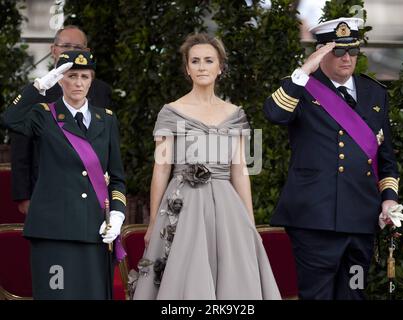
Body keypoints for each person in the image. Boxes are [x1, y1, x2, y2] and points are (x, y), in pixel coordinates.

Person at [263, 17, 403, 299]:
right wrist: (305, 69)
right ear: (321, 53)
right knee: (317, 295)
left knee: (353, 293)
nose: (347, 58)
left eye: (352, 51)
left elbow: (386, 158)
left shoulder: (374, 93)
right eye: (338, 51)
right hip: (315, 221)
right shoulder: (301, 88)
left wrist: (389, 198)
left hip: (360, 219)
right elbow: (274, 114)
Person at [132, 33, 281, 300]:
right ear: (187, 68)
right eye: (195, 61)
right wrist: (154, 221)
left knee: (233, 279)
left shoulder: (235, 114)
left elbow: (240, 170)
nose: (202, 66)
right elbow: (162, 169)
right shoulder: (171, 111)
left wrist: (250, 222)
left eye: (209, 60)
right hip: (183, 206)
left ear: (220, 67)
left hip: (227, 209)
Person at [1, 51, 126, 299]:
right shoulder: (43, 114)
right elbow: (9, 119)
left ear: (91, 80)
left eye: (84, 76)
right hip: (53, 232)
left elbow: (117, 176)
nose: (78, 83)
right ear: (60, 80)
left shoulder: (107, 120)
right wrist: (37, 87)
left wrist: (118, 214)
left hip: (94, 229)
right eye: (71, 76)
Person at [10, 25, 112, 215]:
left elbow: (107, 146)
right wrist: (23, 196)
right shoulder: (37, 92)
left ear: (87, 53)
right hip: (47, 192)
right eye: (66, 46)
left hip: (91, 192)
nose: (72, 51)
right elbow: (21, 149)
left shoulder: (100, 90)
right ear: (54, 50)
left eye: (78, 48)